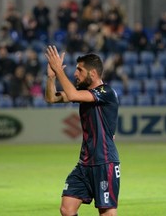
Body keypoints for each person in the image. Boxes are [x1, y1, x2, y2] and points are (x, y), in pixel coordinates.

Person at [45, 46, 120, 216]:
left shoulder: (106, 92)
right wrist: (51, 78)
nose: (75, 74)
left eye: (79, 70)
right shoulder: (83, 93)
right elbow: (51, 98)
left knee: (107, 213)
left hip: (104, 162)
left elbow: (71, 95)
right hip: (84, 163)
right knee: (67, 209)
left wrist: (58, 69)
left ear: (92, 74)